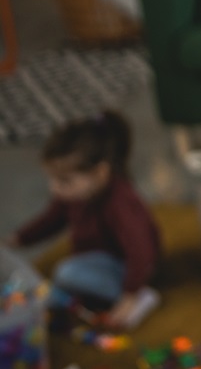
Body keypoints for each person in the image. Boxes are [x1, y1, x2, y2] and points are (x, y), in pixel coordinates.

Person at [5, 111, 161, 330]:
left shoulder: (120, 204)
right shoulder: (73, 194)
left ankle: (142, 296)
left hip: (131, 267)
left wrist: (129, 295)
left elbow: (141, 253)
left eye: (64, 180)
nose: (54, 188)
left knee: (65, 275)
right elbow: (52, 219)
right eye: (52, 179)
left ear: (100, 173)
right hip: (96, 258)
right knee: (57, 285)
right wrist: (19, 238)